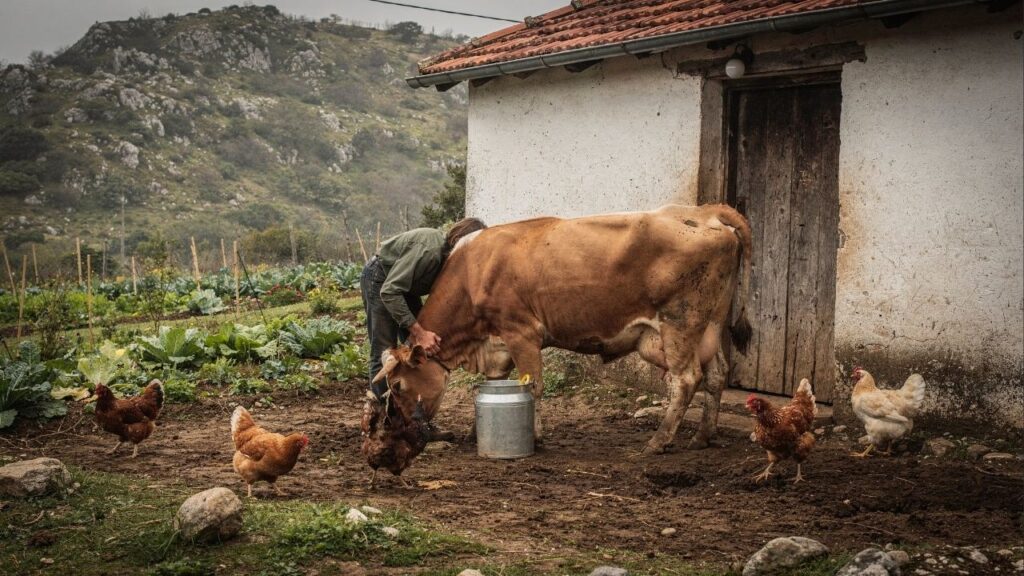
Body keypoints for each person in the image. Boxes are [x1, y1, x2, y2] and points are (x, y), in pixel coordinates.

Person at [360, 217, 487, 397]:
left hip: (405, 288)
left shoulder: (448, 261)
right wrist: (419, 332)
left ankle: (412, 411)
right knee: (383, 348)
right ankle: (384, 413)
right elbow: (390, 291)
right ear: (460, 242)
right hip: (380, 279)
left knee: (418, 349)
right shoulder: (429, 250)